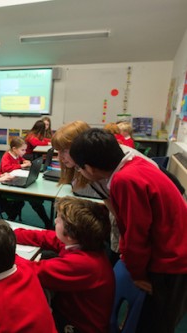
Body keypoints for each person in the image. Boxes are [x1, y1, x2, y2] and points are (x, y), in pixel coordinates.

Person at [69, 128, 187, 333]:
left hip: (172, 261)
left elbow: (136, 233)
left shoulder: (125, 181)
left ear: (88, 168)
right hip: (175, 249)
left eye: (79, 168)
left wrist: (137, 273)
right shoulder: (135, 162)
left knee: (156, 321)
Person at [15, 196, 115, 333]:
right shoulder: (84, 243)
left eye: (59, 219)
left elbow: (32, 271)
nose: (55, 220)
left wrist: (0, 249)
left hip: (78, 327)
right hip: (72, 310)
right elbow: (47, 237)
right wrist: (11, 235)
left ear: (69, 234)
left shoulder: (83, 264)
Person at [0, 137, 52, 228]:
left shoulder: (17, 155)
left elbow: (21, 160)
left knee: (32, 200)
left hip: (15, 179)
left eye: (25, 150)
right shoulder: (7, 156)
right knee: (34, 201)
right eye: (22, 150)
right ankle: (47, 223)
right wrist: (22, 165)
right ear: (14, 149)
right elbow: (6, 169)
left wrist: (25, 161)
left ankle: (12, 218)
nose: (24, 152)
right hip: (6, 183)